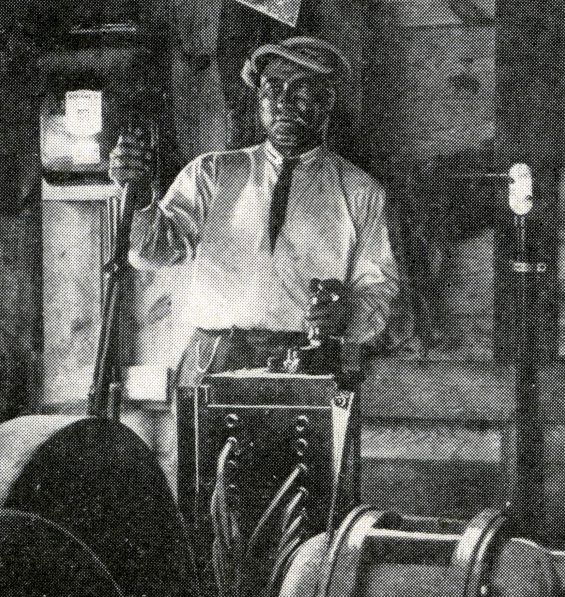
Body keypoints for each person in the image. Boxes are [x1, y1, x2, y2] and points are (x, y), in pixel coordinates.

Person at [108, 36, 400, 385]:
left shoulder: (360, 191)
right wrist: (140, 200)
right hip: (213, 359)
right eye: (272, 89)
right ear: (259, 98)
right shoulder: (211, 173)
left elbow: (379, 292)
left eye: (301, 90)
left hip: (307, 365)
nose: (284, 104)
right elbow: (149, 254)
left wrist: (346, 314)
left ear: (327, 101)